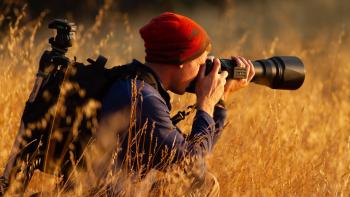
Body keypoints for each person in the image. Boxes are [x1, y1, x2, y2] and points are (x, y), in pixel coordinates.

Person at [84, 12, 255, 196]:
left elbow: (193, 153)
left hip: (116, 189)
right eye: (200, 63)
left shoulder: (137, 85)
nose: (202, 72)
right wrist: (205, 104)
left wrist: (219, 102)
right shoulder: (143, 99)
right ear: (181, 60)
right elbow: (193, 166)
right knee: (203, 183)